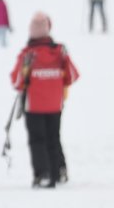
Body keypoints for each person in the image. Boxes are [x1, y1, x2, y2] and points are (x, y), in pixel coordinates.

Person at [10, 12, 79, 188]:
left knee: (37, 140)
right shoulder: (59, 52)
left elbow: (17, 81)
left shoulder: (28, 55)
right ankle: (58, 172)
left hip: (33, 106)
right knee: (53, 138)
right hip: (55, 105)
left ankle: (43, 174)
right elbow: (71, 76)